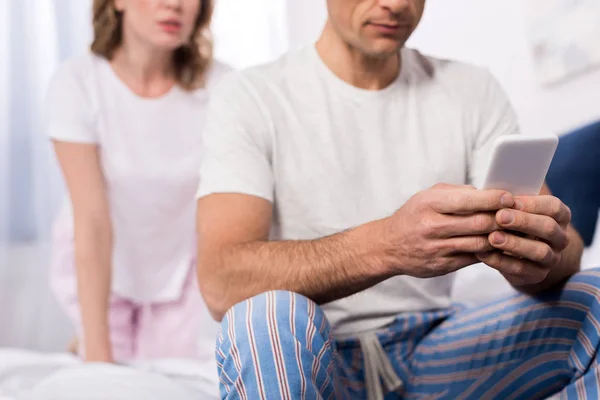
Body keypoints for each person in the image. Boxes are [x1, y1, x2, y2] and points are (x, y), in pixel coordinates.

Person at [195, 0, 600, 399]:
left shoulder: (470, 90)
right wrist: (388, 245)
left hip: (437, 350)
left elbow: (563, 255)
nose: (395, 4)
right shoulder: (250, 97)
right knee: (262, 317)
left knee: (594, 295)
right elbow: (221, 282)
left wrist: (541, 253)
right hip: (317, 356)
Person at [46, 0, 228, 363]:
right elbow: (93, 221)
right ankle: (81, 342)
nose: (175, 4)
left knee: (168, 375)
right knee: (106, 371)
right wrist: (98, 359)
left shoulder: (225, 86)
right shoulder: (78, 82)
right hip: (100, 261)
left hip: (181, 270)